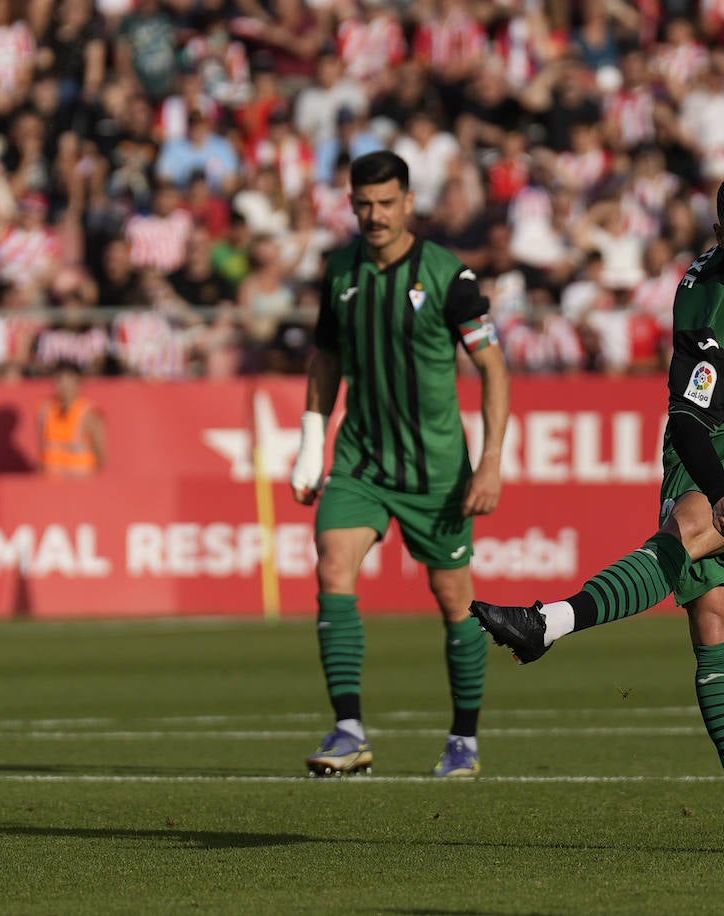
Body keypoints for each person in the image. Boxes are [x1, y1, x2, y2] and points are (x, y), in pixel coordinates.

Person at [471, 168, 724, 853]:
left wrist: (719, 500)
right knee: (714, 614)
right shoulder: (700, 302)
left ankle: (551, 620)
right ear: (721, 235)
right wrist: (722, 489)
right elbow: (690, 421)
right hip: (706, 442)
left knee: (685, 532)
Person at [291, 150, 510, 779]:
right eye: (364, 203)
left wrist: (490, 463)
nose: (375, 214)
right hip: (360, 458)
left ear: (409, 204)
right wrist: (311, 443)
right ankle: (348, 731)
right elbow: (326, 360)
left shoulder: (449, 277)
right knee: (333, 564)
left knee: (453, 599)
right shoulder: (339, 271)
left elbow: (493, 368)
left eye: (387, 203)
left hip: (435, 471)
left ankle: (464, 738)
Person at [37, 361, 106, 477]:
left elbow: (101, 458)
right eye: (59, 380)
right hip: (50, 485)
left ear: (78, 382)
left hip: (80, 486)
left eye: (68, 380)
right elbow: (43, 448)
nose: (64, 385)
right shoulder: (45, 410)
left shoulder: (90, 415)